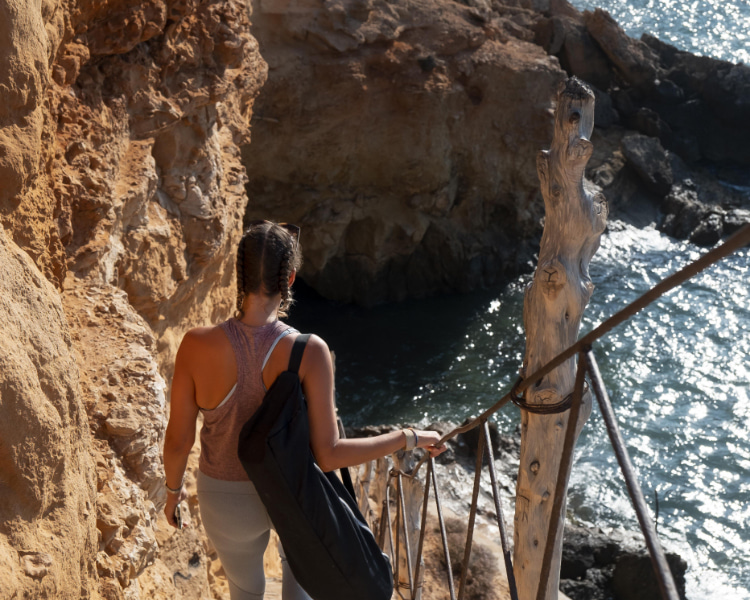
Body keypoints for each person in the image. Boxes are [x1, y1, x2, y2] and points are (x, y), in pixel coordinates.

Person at [162, 220, 447, 600]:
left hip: (224, 494)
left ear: (239, 275)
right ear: (290, 278)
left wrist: (173, 492)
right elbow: (328, 455)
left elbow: (179, 440)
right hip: (294, 492)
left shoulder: (195, 345)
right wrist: (406, 437)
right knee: (302, 593)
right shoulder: (309, 351)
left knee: (244, 591)